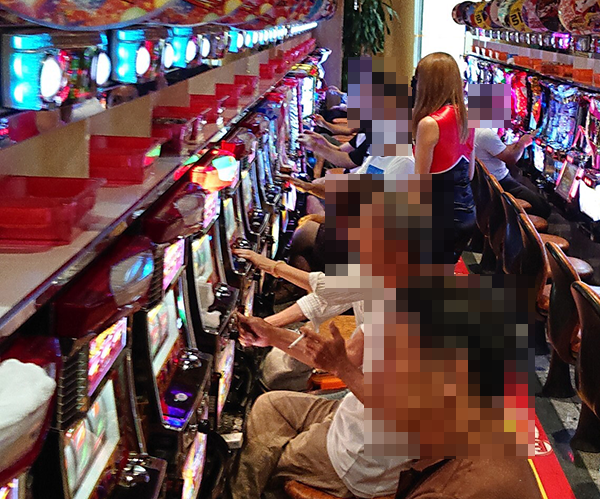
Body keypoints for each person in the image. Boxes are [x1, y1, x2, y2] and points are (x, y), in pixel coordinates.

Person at [225, 175, 537, 499]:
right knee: (269, 406)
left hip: (364, 456)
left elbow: (408, 418)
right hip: (352, 415)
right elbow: (340, 353)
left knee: (268, 466)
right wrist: (270, 335)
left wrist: (343, 369)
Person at [412, 52, 476, 264]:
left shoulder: (430, 123)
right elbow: (469, 173)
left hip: (441, 217)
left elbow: (420, 183)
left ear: (427, 84)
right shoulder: (467, 116)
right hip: (466, 212)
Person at [474, 128, 551, 218]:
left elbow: (502, 149)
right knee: (543, 208)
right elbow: (512, 158)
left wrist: (519, 143)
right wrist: (522, 143)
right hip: (500, 184)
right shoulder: (485, 133)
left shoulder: (476, 129)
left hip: (486, 182)